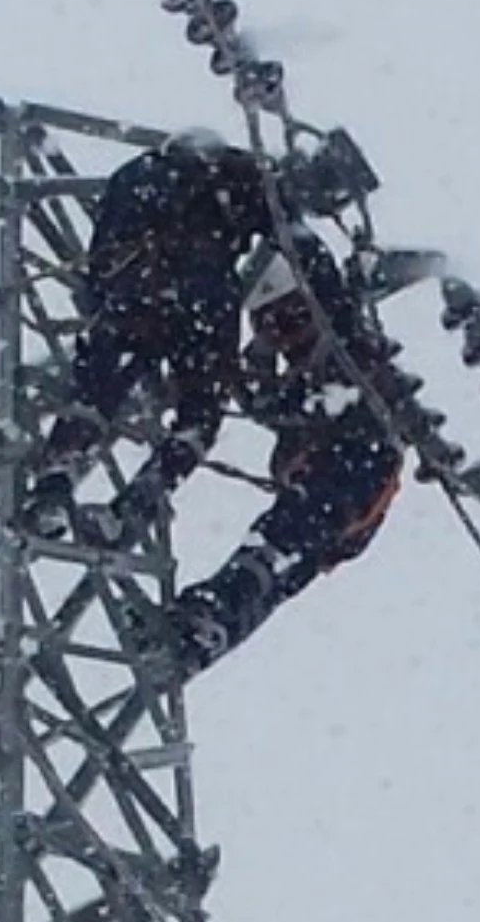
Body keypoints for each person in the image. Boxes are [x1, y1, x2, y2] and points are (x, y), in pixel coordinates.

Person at [122, 227, 406, 684]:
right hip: (328, 489)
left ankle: (204, 624)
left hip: (354, 475)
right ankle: (194, 635)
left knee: (274, 551)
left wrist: (287, 227)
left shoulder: (346, 348)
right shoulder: (304, 376)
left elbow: (277, 395)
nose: (287, 339)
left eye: (292, 321)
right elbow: (262, 399)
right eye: (272, 328)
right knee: (275, 566)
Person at [24, 133, 273, 541]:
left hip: (137, 291)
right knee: (199, 416)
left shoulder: (136, 175)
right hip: (203, 299)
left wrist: (104, 305)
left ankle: (54, 486)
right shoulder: (239, 177)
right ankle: (135, 503)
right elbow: (287, 230)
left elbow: (101, 253)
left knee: (97, 389)